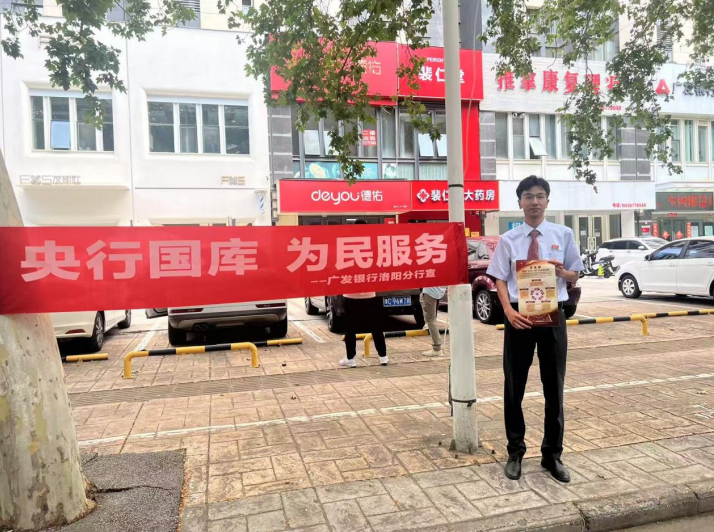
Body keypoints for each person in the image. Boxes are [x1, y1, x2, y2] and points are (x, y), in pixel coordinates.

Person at [486, 175, 583, 483]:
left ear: (547, 201)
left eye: (540, 196)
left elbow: (575, 274)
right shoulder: (509, 239)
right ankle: (515, 451)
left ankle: (552, 455)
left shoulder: (563, 234)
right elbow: (499, 278)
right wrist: (508, 311)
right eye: (528, 196)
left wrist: (563, 272)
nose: (535, 202)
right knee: (514, 386)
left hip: (553, 316)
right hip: (519, 318)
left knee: (554, 387)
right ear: (520, 202)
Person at [339, 219, 389, 368]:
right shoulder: (373, 246)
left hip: (351, 295)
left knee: (350, 329)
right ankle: (383, 356)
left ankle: (351, 359)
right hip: (370, 295)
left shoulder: (347, 245)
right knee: (376, 327)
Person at [420, 286, 445, 356]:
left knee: (431, 320)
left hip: (430, 292)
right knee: (432, 319)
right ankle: (437, 347)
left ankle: (437, 348)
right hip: (438, 292)